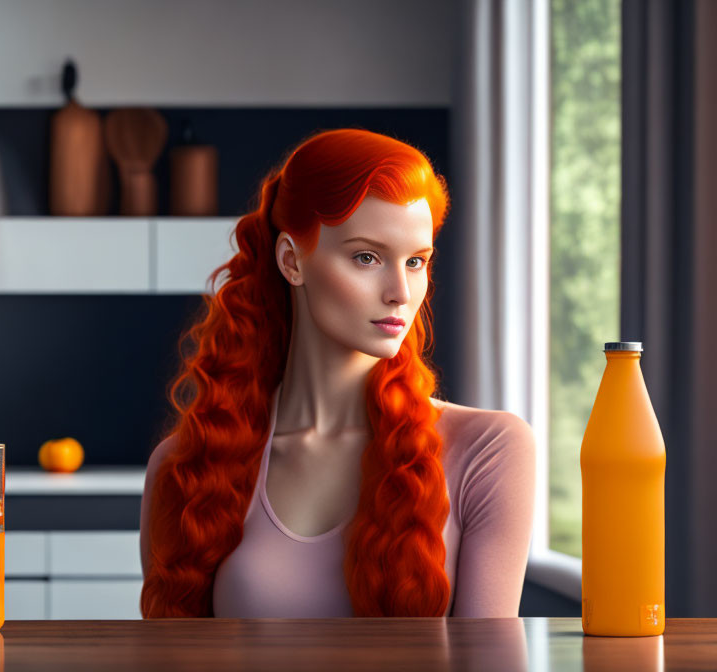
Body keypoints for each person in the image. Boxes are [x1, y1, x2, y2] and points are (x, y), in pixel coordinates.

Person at [139, 128, 536, 618]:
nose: (400, 292)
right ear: (292, 260)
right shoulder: (184, 465)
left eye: (416, 261)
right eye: (366, 257)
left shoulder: (489, 449)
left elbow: (488, 663)